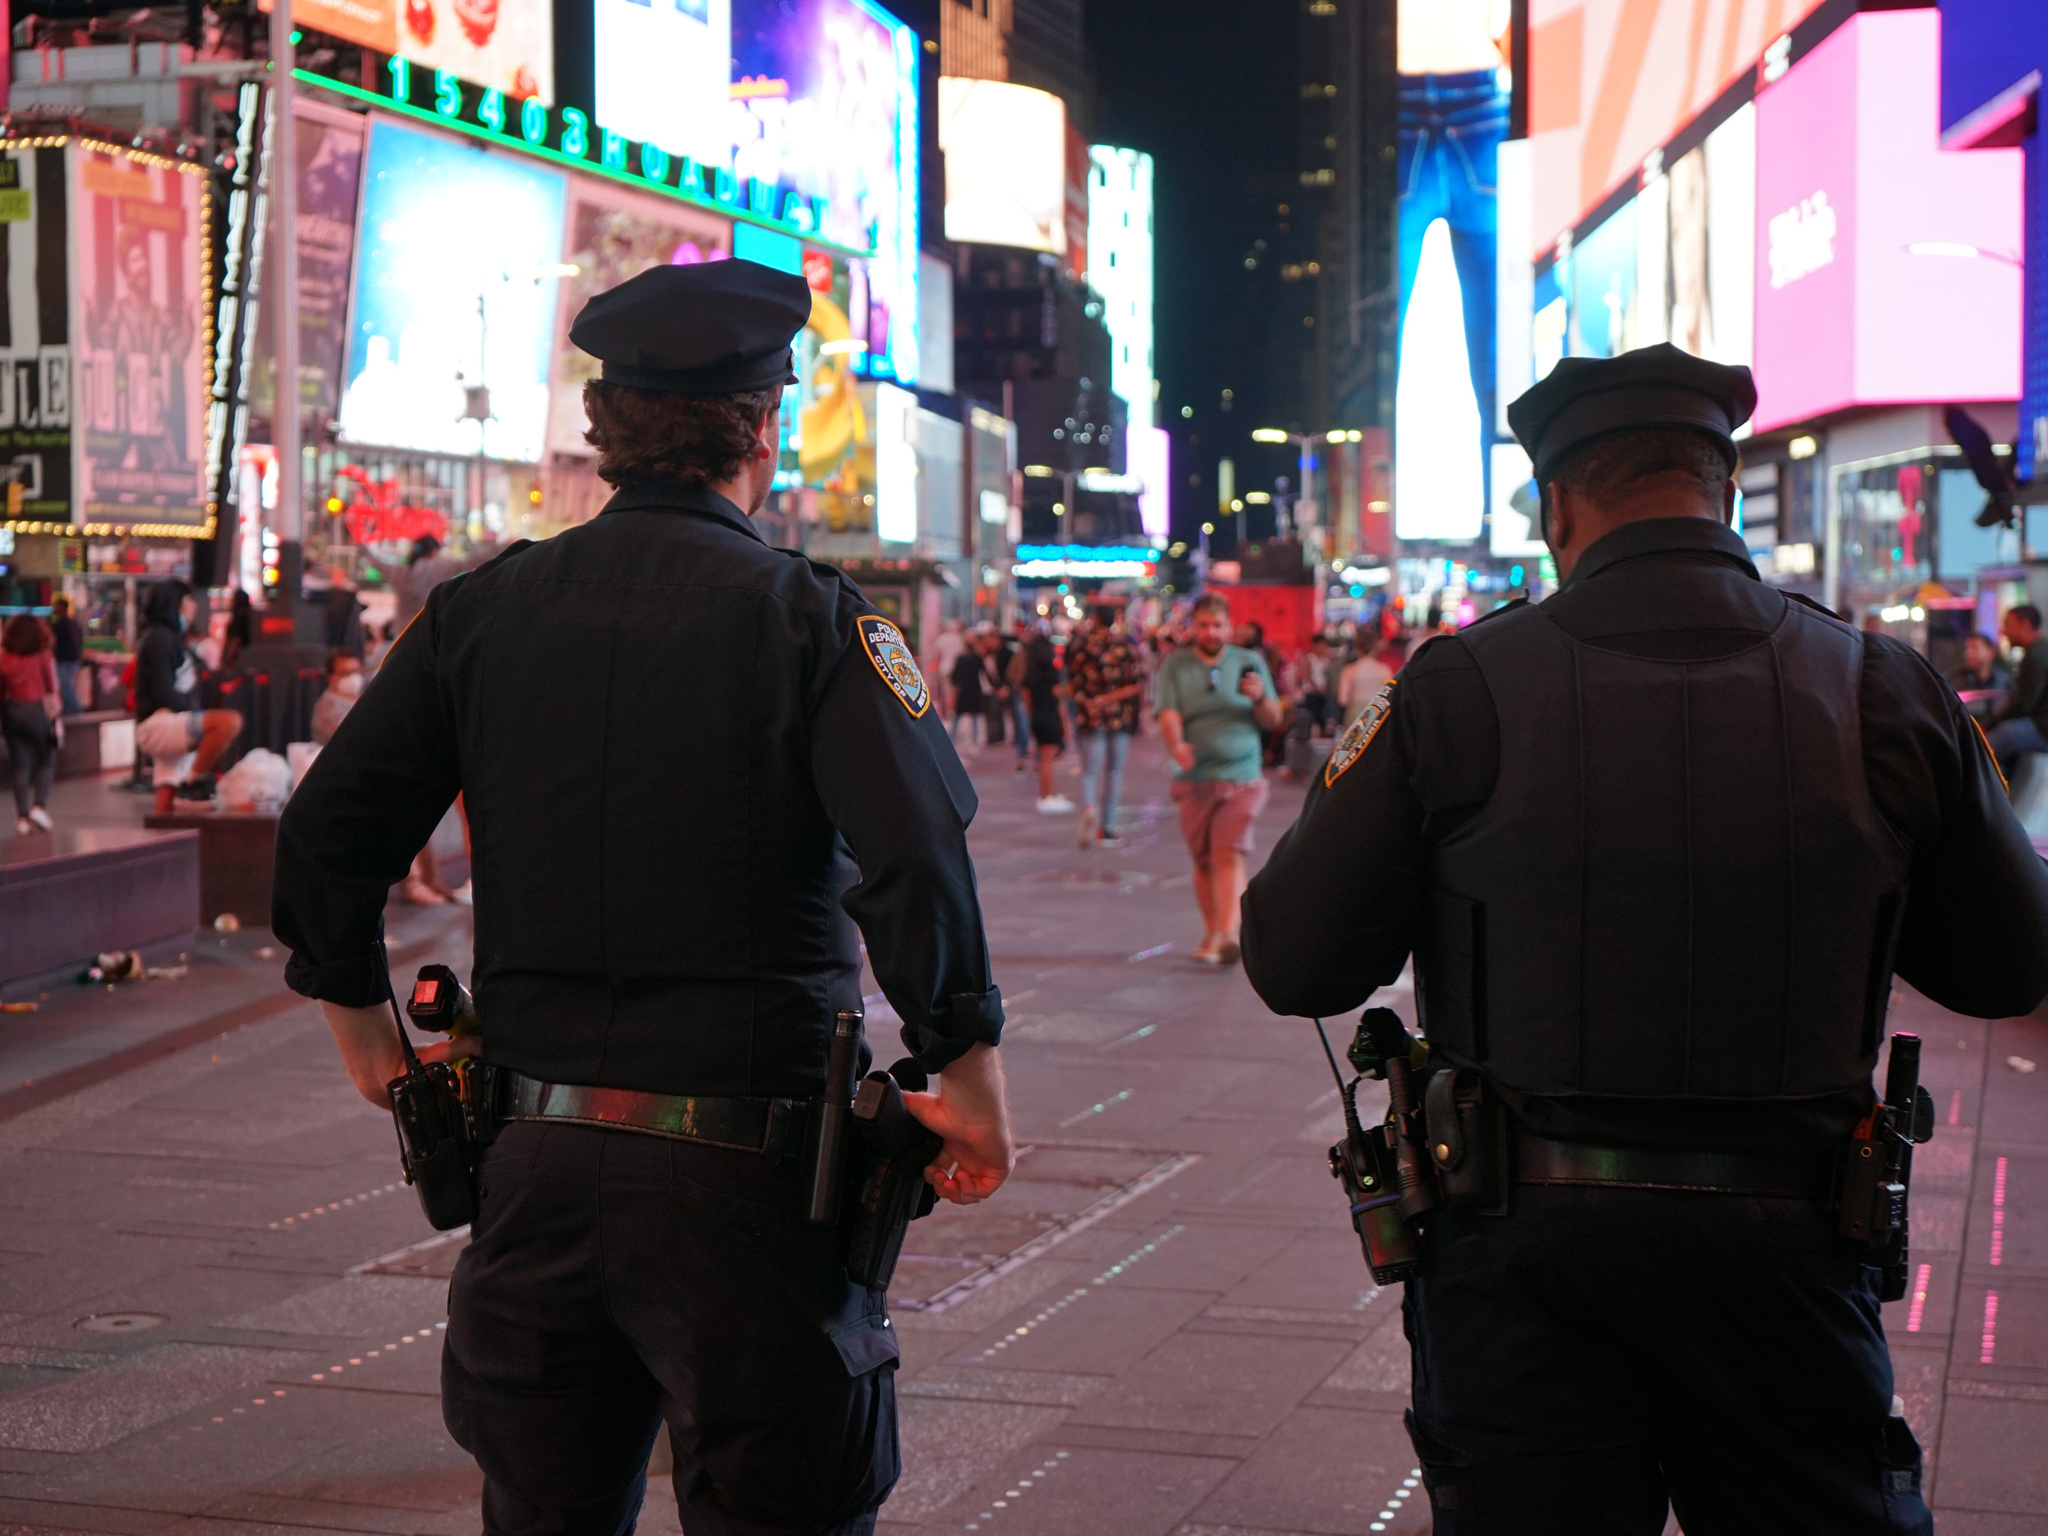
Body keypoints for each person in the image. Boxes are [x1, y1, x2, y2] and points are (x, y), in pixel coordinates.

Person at [1242, 343, 2048, 1534]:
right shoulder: (1885, 688)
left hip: (1520, 1267)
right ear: (1722, 488)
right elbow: (2006, 965)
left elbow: (1295, 961)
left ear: (1558, 504)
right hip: (1793, 1253)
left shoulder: (1455, 688)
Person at [273, 258, 1016, 1536]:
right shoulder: (809, 621)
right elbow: (915, 859)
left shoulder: (480, 613)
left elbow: (324, 841)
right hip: (752, 1188)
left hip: (532, 1173)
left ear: (604, 432)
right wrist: (969, 1072)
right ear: (762, 433)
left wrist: (365, 1035)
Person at [1155, 592, 1282, 966]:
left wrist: (1260, 699)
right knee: (1203, 858)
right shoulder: (1175, 667)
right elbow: (1169, 713)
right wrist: (1176, 745)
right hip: (1195, 776)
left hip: (1242, 775)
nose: (1211, 632)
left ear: (1230, 627)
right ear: (1193, 627)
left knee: (1227, 852)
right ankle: (1213, 930)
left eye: (1218, 625)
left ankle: (1228, 934)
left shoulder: (1249, 662)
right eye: (1204, 625)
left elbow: (1272, 719)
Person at [133, 580, 244, 815]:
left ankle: (167, 842)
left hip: (173, 723)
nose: (194, 607)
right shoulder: (158, 639)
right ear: (177, 603)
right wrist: (196, 715)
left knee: (164, 810)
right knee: (228, 722)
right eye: (190, 600)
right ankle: (193, 783)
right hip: (160, 723)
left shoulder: (171, 637)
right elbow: (162, 692)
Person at [1066, 604, 1143, 847]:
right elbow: (1136, 684)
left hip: (1091, 715)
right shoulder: (1124, 646)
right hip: (1119, 717)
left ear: (1094, 618)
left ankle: (1090, 807)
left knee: (1089, 770)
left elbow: (1072, 684)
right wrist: (1111, 699)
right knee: (1114, 772)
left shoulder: (1081, 645)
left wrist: (1091, 702)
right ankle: (1107, 828)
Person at [1, 615, 60, 834]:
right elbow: (52, 687)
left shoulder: (4, 656)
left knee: (21, 765)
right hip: (36, 711)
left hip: (11, 711)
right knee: (46, 759)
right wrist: (55, 717)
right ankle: (39, 806)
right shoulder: (42, 655)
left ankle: (22, 819)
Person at [1985, 604, 2048, 782]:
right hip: (2039, 727)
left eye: (2007, 625)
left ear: (2025, 625)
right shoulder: (2037, 652)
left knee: (1989, 745)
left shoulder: (2037, 656)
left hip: (2042, 731)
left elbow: (2023, 703)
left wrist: (1990, 724)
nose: (2004, 632)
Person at [1021, 625, 1071, 813]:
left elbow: (1026, 700)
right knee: (1048, 761)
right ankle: (1046, 796)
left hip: (1037, 716)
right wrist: (1065, 722)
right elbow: (1059, 700)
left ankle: (1048, 794)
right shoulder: (1052, 674)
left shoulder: (1030, 675)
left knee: (1044, 759)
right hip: (1050, 716)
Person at [1337, 635, 1406, 730]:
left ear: (1357, 649)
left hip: (1356, 714)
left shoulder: (1349, 670)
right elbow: (1391, 695)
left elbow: (1343, 699)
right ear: (1375, 648)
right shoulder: (1384, 669)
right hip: (1378, 714)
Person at [1947, 631, 2010, 721]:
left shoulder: (2004, 681)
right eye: (1967, 648)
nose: (1968, 653)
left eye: (1974, 648)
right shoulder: (1956, 679)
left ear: (1990, 652)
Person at [309, 648, 364, 747]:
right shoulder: (328, 706)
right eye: (346, 673)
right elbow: (353, 737)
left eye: (356, 672)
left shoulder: (358, 698)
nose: (353, 678)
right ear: (330, 677)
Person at [948, 630, 986, 748]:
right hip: (973, 689)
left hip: (963, 690)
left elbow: (954, 676)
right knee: (973, 716)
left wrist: (955, 687)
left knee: (958, 716)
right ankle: (974, 741)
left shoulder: (961, 658)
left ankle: (951, 739)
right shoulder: (976, 658)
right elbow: (985, 673)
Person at [49, 596, 84, 715]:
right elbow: (80, 639)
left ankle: (78, 711)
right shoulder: (73, 623)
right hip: (73, 658)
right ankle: (67, 712)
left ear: (62, 607)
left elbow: (52, 641)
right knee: (67, 686)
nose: (54, 608)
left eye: (56, 606)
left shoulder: (59, 624)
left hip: (65, 659)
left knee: (65, 686)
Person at [220, 589, 253, 672]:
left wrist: (226, 661)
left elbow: (235, 640)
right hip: (246, 659)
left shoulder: (239, 619)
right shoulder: (249, 617)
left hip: (237, 662)